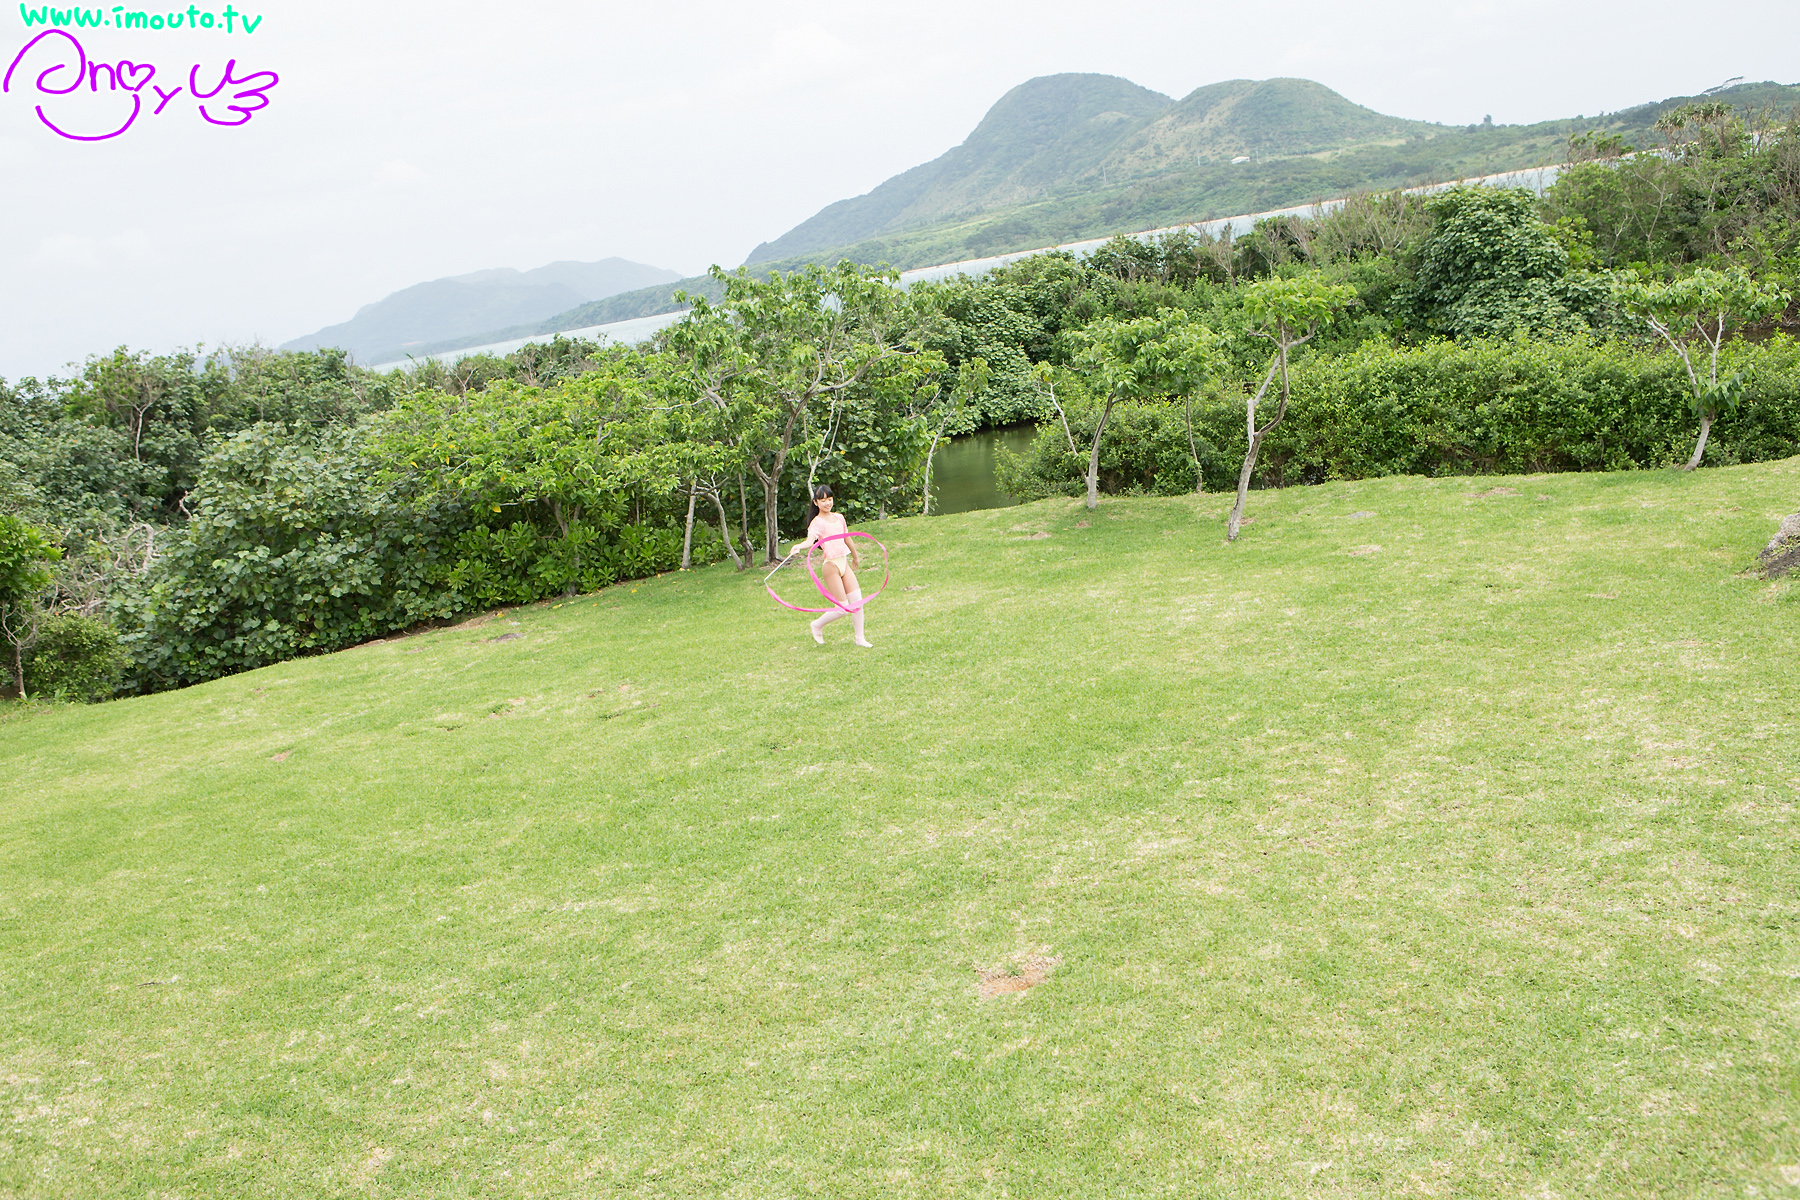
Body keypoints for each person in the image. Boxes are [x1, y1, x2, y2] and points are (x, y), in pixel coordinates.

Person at [786, 484, 873, 648]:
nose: (827, 503)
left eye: (830, 499)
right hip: (831, 566)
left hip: (843, 562)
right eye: (823, 500)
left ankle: (860, 639)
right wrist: (799, 546)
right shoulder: (817, 523)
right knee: (842, 608)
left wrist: (855, 557)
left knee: (857, 602)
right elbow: (809, 541)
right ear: (816, 502)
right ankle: (817, 625)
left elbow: (847, 538)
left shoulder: (839, 517)